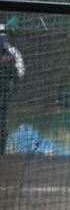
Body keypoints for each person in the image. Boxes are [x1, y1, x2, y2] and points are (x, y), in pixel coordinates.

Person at [0, 24, 25, 155]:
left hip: (6, 90)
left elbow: (20, 72)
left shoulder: (13, 51)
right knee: (3, 119)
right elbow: (21, 72)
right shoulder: (13, 51)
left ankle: (2, 149)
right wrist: (13, 82)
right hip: (6, 90)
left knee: (3, 120)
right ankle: (2, 149)